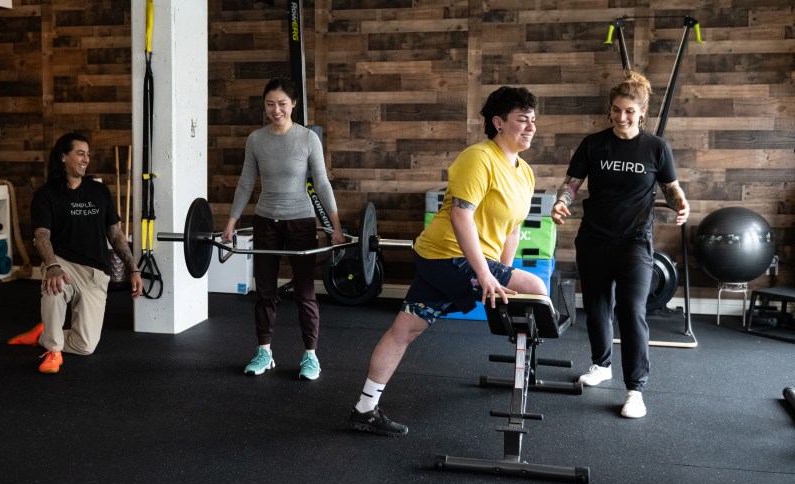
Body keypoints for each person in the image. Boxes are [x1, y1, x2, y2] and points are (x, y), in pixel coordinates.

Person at [348, 86, 547, 437]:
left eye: (533, 120)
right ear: (499, 122)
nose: (531, 127)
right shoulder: (479, 158)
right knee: (535, 286)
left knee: (404, 331)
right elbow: (460, 216)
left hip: (454, 260)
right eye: (522, 120)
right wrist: (485, 274)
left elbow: (512, 230)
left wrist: (501, 277)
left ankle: (364, 409)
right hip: (446, 255)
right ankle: (526, 366)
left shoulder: (525, 172)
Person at [550, 70, 689, 419]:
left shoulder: (656, 148)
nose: (621, 117)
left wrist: (681, 203)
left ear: (642, 112)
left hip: (635, 241)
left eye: (629, 111)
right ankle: (601, 365)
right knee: (597, 306)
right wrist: (562, 201)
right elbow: (572, 183)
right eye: (616, 109)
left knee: (631, 309)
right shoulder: (593, 144)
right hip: (594, 238)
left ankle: (635, 390)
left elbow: (671, 187)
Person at [222, 76, 345, 381]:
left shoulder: (308, 139)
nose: (275, 110)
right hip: (266, 221)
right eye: (269, 104)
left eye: (281, 104)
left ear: (293, 104)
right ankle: (264, 352)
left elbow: (322, 183)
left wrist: (336, 227)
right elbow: (246, 183)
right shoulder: (256, 140)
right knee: (265, 291)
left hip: (301, 222)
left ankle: (310, 356)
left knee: (305, 293)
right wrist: (231, 223)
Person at [7, 133, 142, 373]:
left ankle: (44, 334)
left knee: (85, 346)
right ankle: (53, 351)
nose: (86, 159)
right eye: (80, 153)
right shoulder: (46, 195)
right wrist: (52, 266)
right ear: (63, 156)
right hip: (64, 262)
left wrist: (133, 268)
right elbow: (42, 235)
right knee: (55, 284)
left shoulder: (99, 192)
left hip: (95, 271)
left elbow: (115, 234)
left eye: (88, 154)